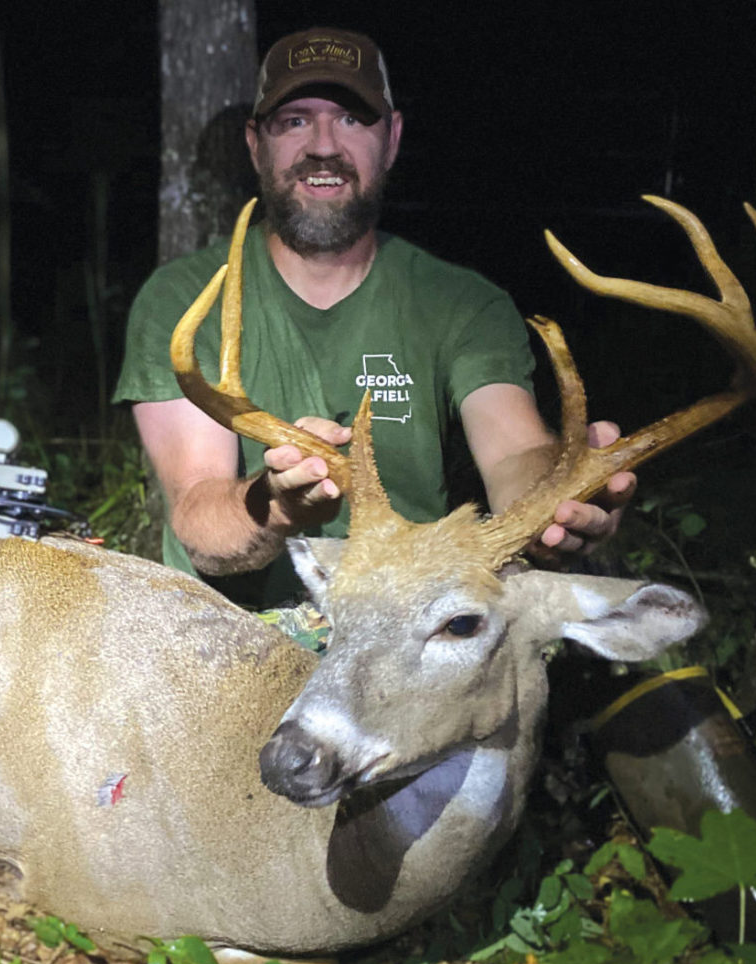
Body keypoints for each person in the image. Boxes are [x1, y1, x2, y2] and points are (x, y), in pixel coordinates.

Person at [114, 26, 635, 610]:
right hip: (235, 637)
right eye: (294, 121)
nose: (324, 146)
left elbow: (514, 454)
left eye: (353, 120)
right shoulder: (185, 299)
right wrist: (278, 504)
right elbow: (198, 517)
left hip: (407, 636)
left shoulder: (461, 302)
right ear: (255, 144)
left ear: (392, 140)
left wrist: (559, 493)